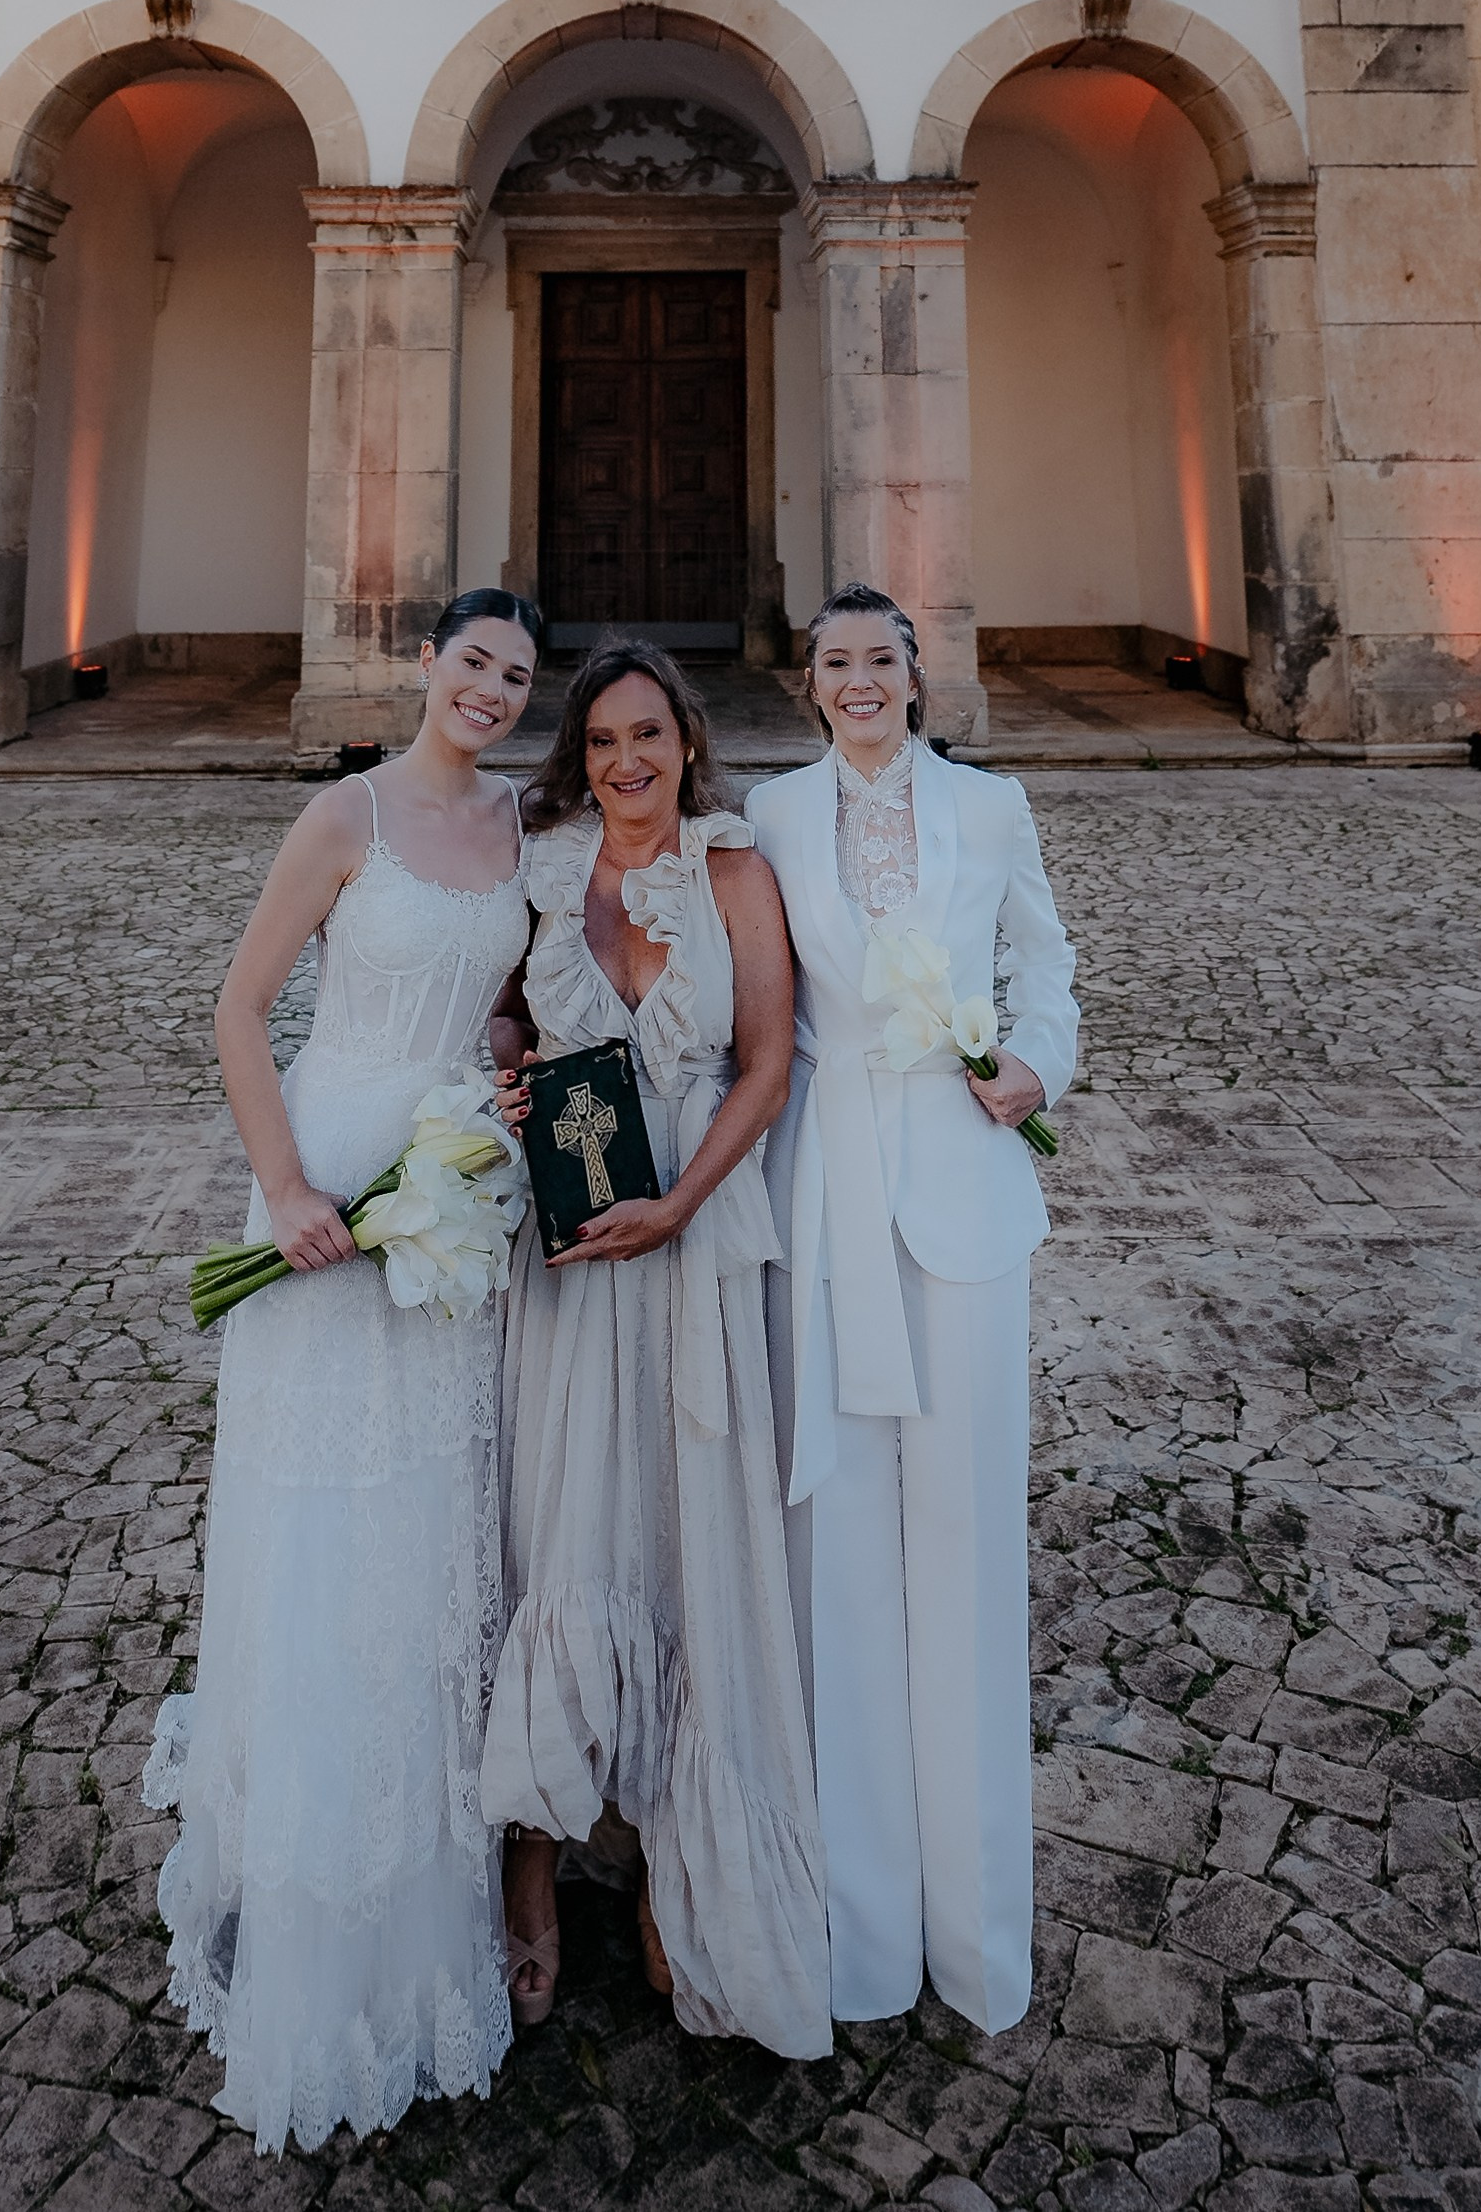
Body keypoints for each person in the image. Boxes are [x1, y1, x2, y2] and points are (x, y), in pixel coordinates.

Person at [144, 590, 544, 2154]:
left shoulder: (522, 828)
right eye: (473, 663)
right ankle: (311, 1848)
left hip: (449, 1189)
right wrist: (293, 1190)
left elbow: (510, 1010)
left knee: (439, 1509)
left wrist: (507, 1095)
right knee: (326, 1516)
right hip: (327, 1181)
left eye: (519, 674)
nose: (494, 691)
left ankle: (429, 1840)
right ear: (425, 666)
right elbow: (241, 1012)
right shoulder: (345, 812)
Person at [483, 641, 830, 2057]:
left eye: (651, 738)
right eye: (607, 741)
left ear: (688, 744)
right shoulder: (545, 868)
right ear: (584, 755)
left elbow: (764, 1059)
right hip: (568, 1259)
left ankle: (670, 1871)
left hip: (685, 1237)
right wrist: (510, 1057)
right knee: (561, 1535)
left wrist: (680, 1206)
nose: (630, 762)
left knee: (685, 1545)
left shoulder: (736, 872)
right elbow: (511, 1010)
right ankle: (533, 1871)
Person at [745, 585, 1078, 2036]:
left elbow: (1048, 966)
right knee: (841, 1568)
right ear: (808, 685)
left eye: (883, 658)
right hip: (825, 1196)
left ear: (917, 676)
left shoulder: (992, 808)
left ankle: (978, 1933)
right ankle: (860, 1934)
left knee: (962, 1543)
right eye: (837, 662)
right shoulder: (763, 819)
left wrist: (1039, 1069)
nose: (861, 680)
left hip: (961, 1195)